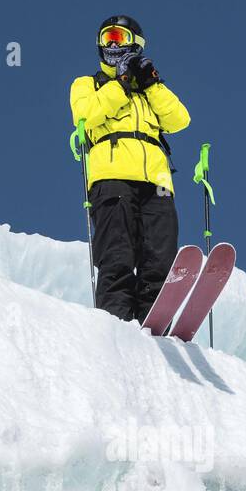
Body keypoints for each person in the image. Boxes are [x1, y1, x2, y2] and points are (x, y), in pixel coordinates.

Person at [69, 16, 191, 323]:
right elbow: (86, 115)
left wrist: (150, 82)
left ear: (135, 42)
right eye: (106, 37)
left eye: (118, 36)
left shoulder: (148, 91)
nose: (112, 44)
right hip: (112, 177)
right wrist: (121, 83)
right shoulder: (88, 84)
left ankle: (152, 322)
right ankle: (116, 324)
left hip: (157, 182)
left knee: (159, 258)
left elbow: (179, 120)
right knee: (117, 256)